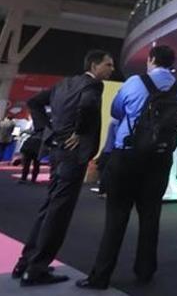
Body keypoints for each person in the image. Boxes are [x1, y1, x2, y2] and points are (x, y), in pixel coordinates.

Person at [77, 45, 177, 290]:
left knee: (116, 217)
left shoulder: (136, 82)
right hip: (160, 158)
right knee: (151, 217)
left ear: (151, 60)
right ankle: (145, 271)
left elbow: (117, 111)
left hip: (127, 155)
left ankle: (100, 276)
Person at [11, 50, 113, 287]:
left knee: (48, 207)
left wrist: (46, 131)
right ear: (95, 65)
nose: (111, 69)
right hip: (72, 155)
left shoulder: (64, 84)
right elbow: (87, 106)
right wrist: (78, 131)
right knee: (59, 212)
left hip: (57, 151)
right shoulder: (93, 86)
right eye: (108, 65)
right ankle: (36, 269)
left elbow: (34, 102)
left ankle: (25, 263)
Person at [90, 118, 119, 197]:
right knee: (108, 171)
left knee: (105, 170)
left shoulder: (115, 121)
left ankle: (103, 190)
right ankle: (104, 191)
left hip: (108, 150)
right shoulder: (117, 122)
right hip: (112, 150)